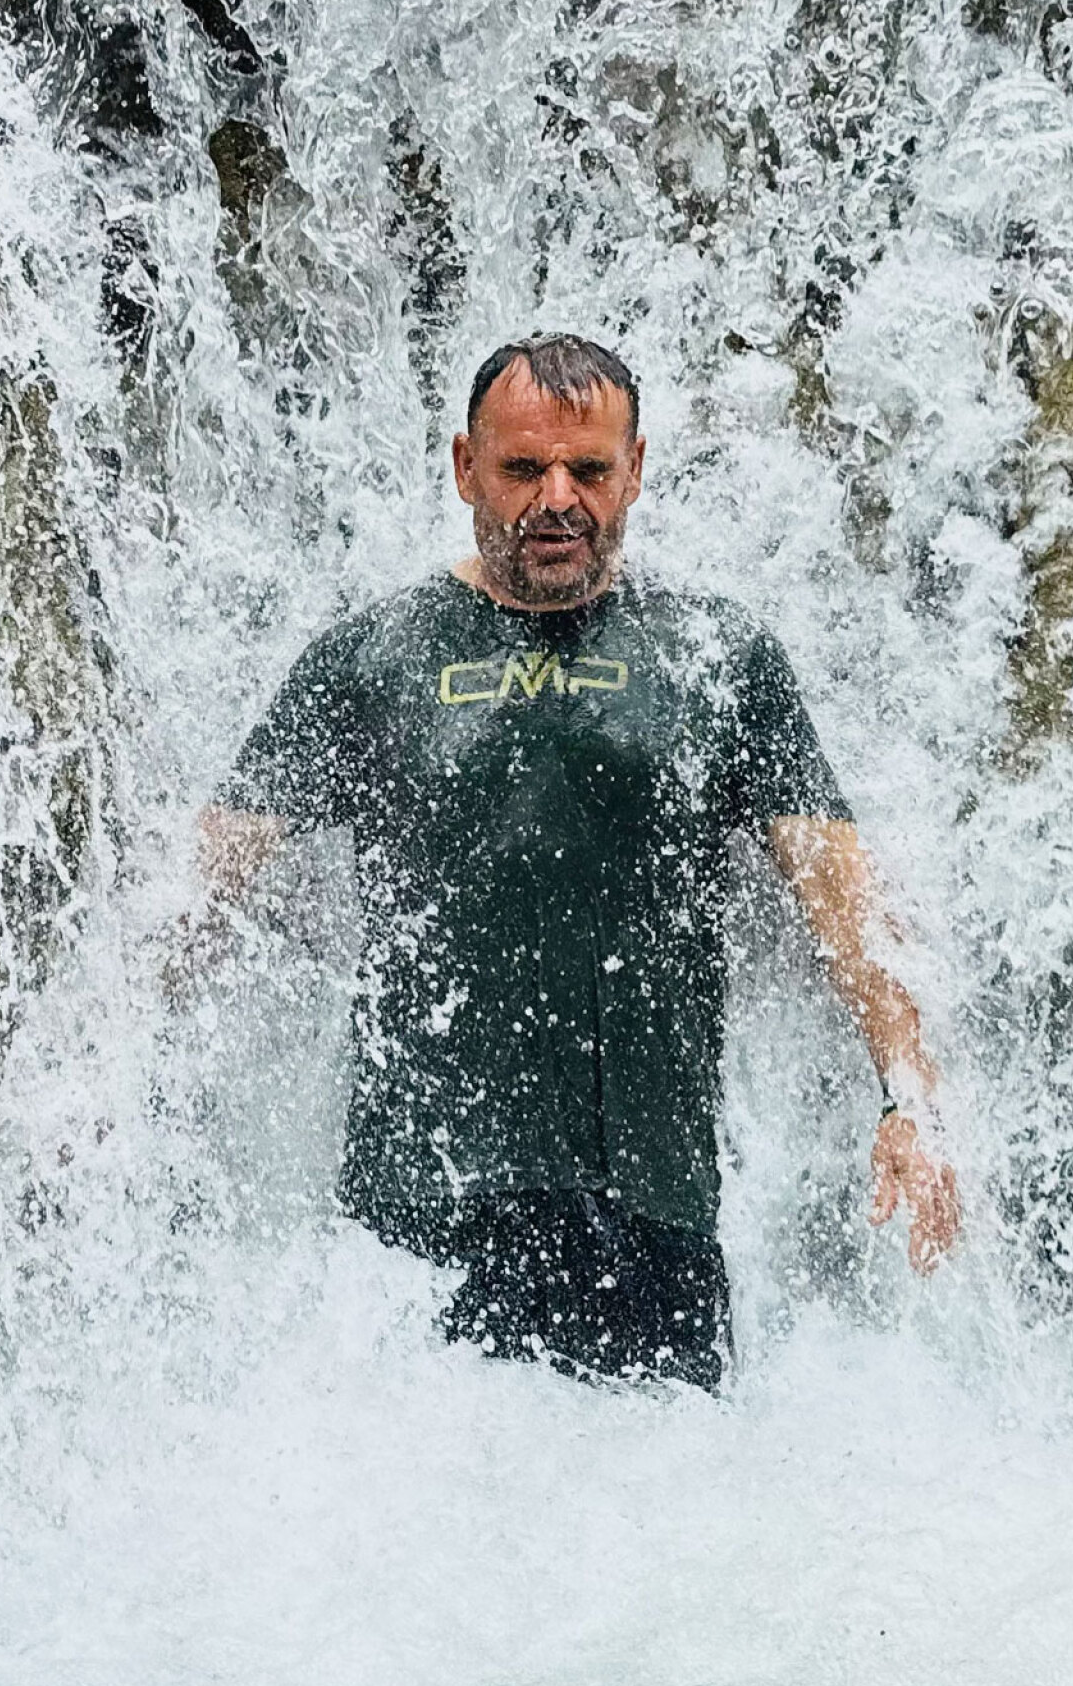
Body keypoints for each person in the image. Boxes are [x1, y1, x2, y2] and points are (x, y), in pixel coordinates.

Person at [196, 332, 960, 1390]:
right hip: (413, 1224)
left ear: (635, 469)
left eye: (589, 470)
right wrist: (90, 1080)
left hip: (649, 1222)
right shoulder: (369, 661)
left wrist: (911, 1099)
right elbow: (202, 890)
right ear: (465, 467)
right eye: (522, 469)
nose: (557, 500)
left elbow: (847, 906)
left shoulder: (718, 660)